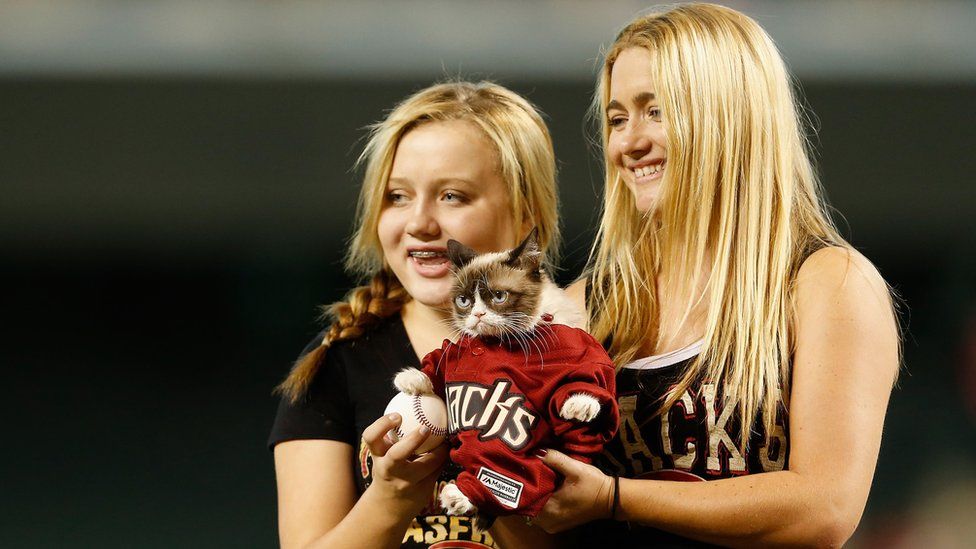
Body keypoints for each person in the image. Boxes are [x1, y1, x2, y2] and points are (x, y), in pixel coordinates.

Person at [532, 4, 901, 547]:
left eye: (656, 111)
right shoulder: (589, 304)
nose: (628, 143)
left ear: (729, 116)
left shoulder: (827, 283)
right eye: (616, 118)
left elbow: (823, 508)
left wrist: (616, 497)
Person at [268, 81, 562, 548]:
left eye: (452, 196)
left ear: (526, 217)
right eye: (398, 196)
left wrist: (483, 463)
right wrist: (390, 497)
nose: (419, 224)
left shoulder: (573, 358)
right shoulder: (335, 366)